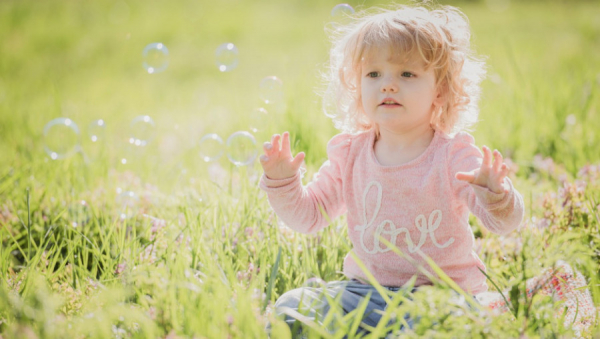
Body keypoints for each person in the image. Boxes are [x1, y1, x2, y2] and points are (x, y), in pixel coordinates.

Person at [259, 3, 525, 337]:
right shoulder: (350, 153)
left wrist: (496, 196)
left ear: (440, 91)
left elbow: (504, 224)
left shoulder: (452, 155)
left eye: (406, 74)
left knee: (438, 329)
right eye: (373, 74)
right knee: (291, 308)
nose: (387, 85)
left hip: (442, 297)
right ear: (357, 85)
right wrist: (282, 182)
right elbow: (309, 217)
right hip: (364, 294)